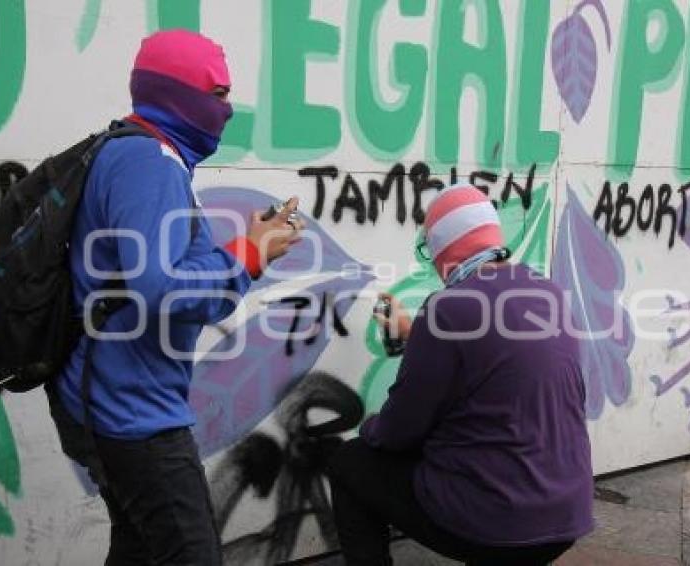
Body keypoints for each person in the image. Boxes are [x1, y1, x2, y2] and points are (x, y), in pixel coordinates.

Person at [46, 30, 303, 566]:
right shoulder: (151, 162)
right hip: (132, 414)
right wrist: (249, 257)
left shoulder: (138, 153)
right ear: (180, 95)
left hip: (113, 398)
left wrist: (247, 247)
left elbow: (154, 272)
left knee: (141, 546)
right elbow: (159, 288)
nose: (229, 110)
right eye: (220, 93)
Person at [327, 184, 594, 565]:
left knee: (350, 464)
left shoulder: (448, 311)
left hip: (505, 521)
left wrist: (370, 428)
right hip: (566, 512)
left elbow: (399, 432)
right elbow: (498, 362)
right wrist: (418, 334)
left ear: (445, 248)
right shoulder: (547, 291)